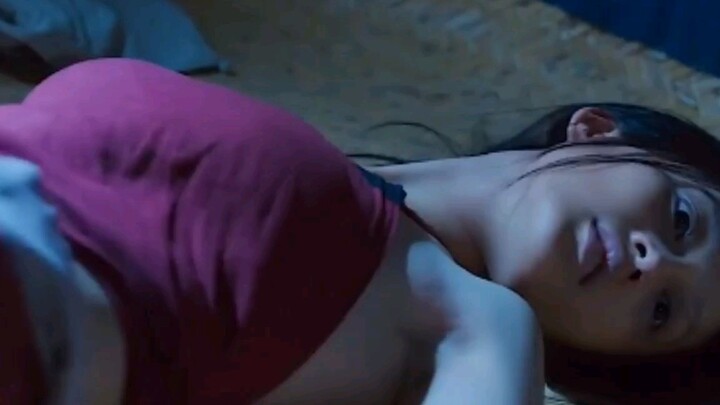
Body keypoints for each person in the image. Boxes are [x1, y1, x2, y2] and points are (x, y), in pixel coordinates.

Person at [2, 58, 719, 405]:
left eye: (662, 310)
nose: (652, 264)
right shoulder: (314, 162)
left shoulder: (479, 326)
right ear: (596, 128)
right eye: (683, 221)